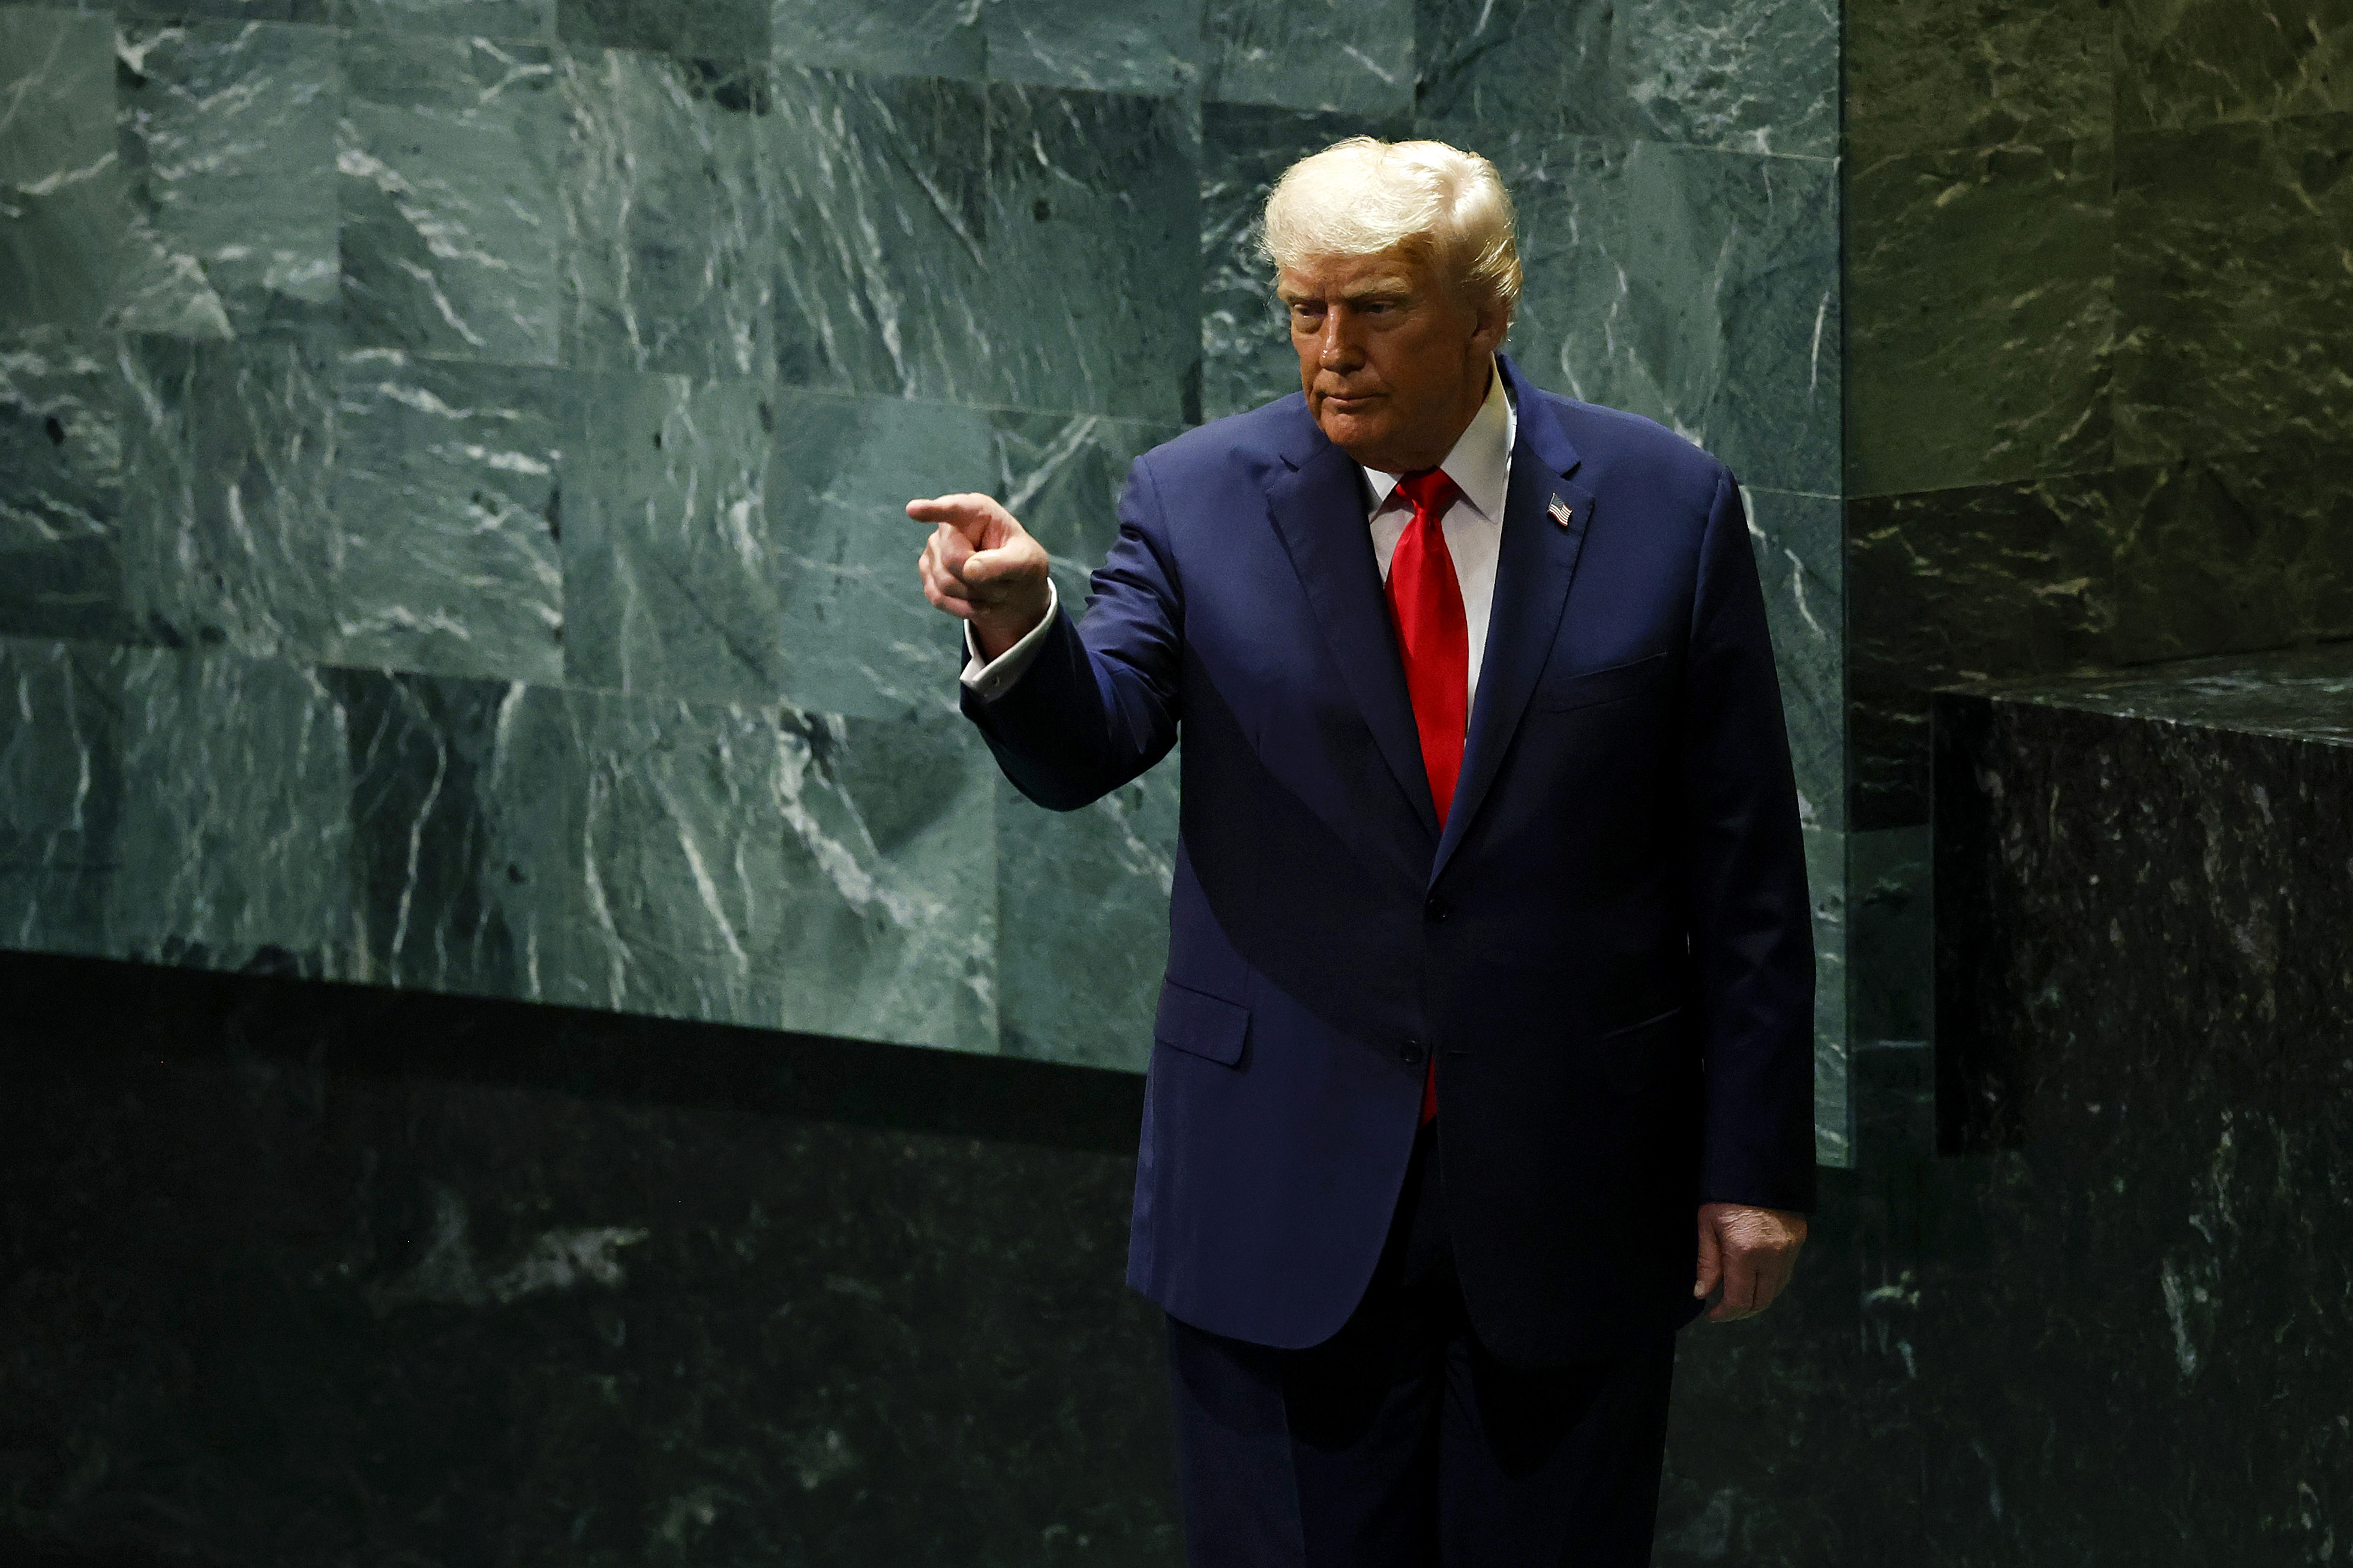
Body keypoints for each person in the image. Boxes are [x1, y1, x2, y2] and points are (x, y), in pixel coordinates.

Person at [907, 137, 1814, 1566]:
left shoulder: (1666, 506)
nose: (1329, 351)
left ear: (1487, 308)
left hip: (1569, 1190)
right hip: (1280, 1190)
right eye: (1301, 308)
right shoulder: (1196, 497)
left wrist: (1753, 1161)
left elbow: (1745, 865)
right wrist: (1019, 627)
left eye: (1375, 308)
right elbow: (1091, 742)